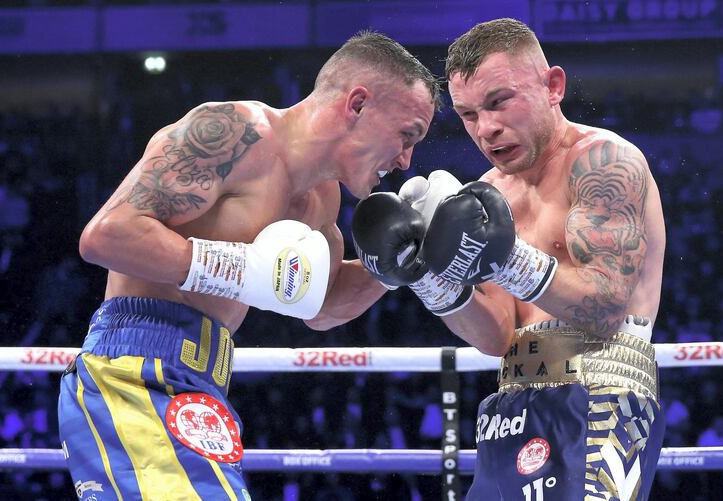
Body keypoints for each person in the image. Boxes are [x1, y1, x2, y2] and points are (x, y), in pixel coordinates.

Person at [58, 31, 440, 500]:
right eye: (407, 135)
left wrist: (407, 259)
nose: (406, 159)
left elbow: (321, 309)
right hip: (134, 372)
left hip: (203, 386)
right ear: (357, 104)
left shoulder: (321, 199)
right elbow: (107, 234)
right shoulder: (234, 132)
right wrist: (236, 269)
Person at [351, 18, 666, 500]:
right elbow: (496, 336)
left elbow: (605, 309)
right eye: (468, 114)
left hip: (601, 398)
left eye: (499, 102)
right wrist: (428, 281)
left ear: (553, 87)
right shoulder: (488, 193)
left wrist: (505, 258)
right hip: (509, 408)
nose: (487, 128)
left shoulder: (605, 162)